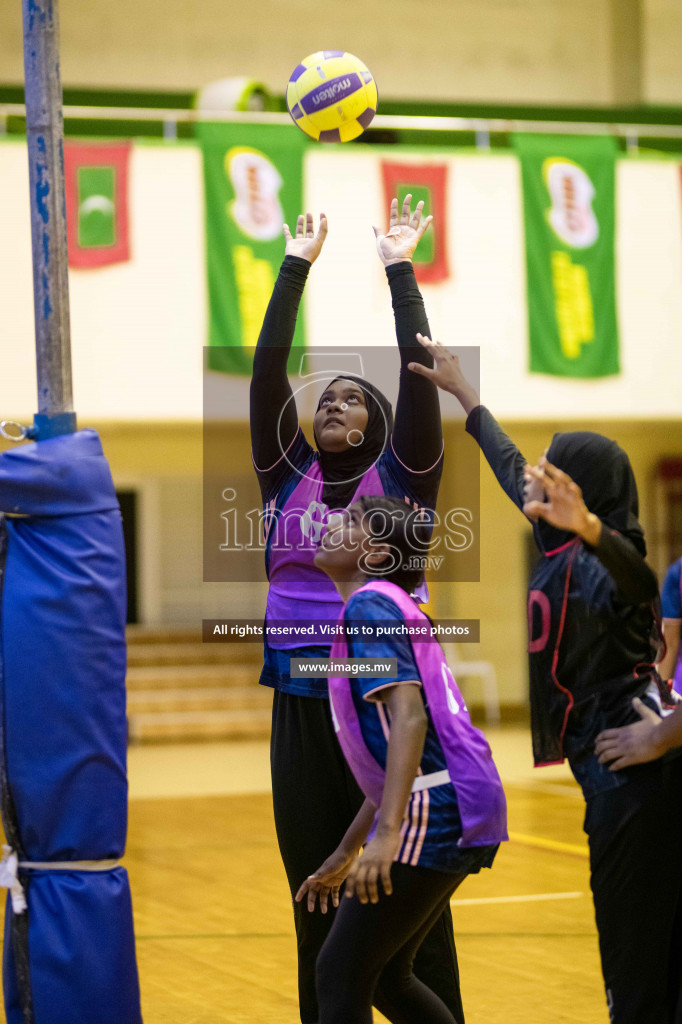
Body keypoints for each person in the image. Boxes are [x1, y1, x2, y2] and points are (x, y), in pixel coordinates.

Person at [407, 333, 682, 1024]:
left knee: (635, 956)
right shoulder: (553, 539)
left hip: (634, 779)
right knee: (641, 950)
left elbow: (640, 578)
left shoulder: (608, 562)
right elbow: (506, 462)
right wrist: (466, 395)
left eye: (553, 472)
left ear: (583, 498)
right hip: (606, 772)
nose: (536, 474)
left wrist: (590, 528)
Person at [250, 198, 464, 1024]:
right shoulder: (284, 479)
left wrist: (397, 267)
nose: (333, 403)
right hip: (304, 703)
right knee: (315, 890)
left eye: (352, 398)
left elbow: (418, 378)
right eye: (325, 397)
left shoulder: (404, 481)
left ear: (377, 425)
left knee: (409, 904)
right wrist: (294, 265)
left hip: (387, 698)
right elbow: (268, 371)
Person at [295, 495, 506, 1024]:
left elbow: (409, 719)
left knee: (338, 973)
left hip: (435, 805)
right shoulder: (384, 605)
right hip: (453, 798)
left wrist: (386, 836)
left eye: (351, 521)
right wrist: (346, 851)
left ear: (378, 555)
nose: (331, 523)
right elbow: (393, 759)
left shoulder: (370, 605)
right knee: (385, 977)